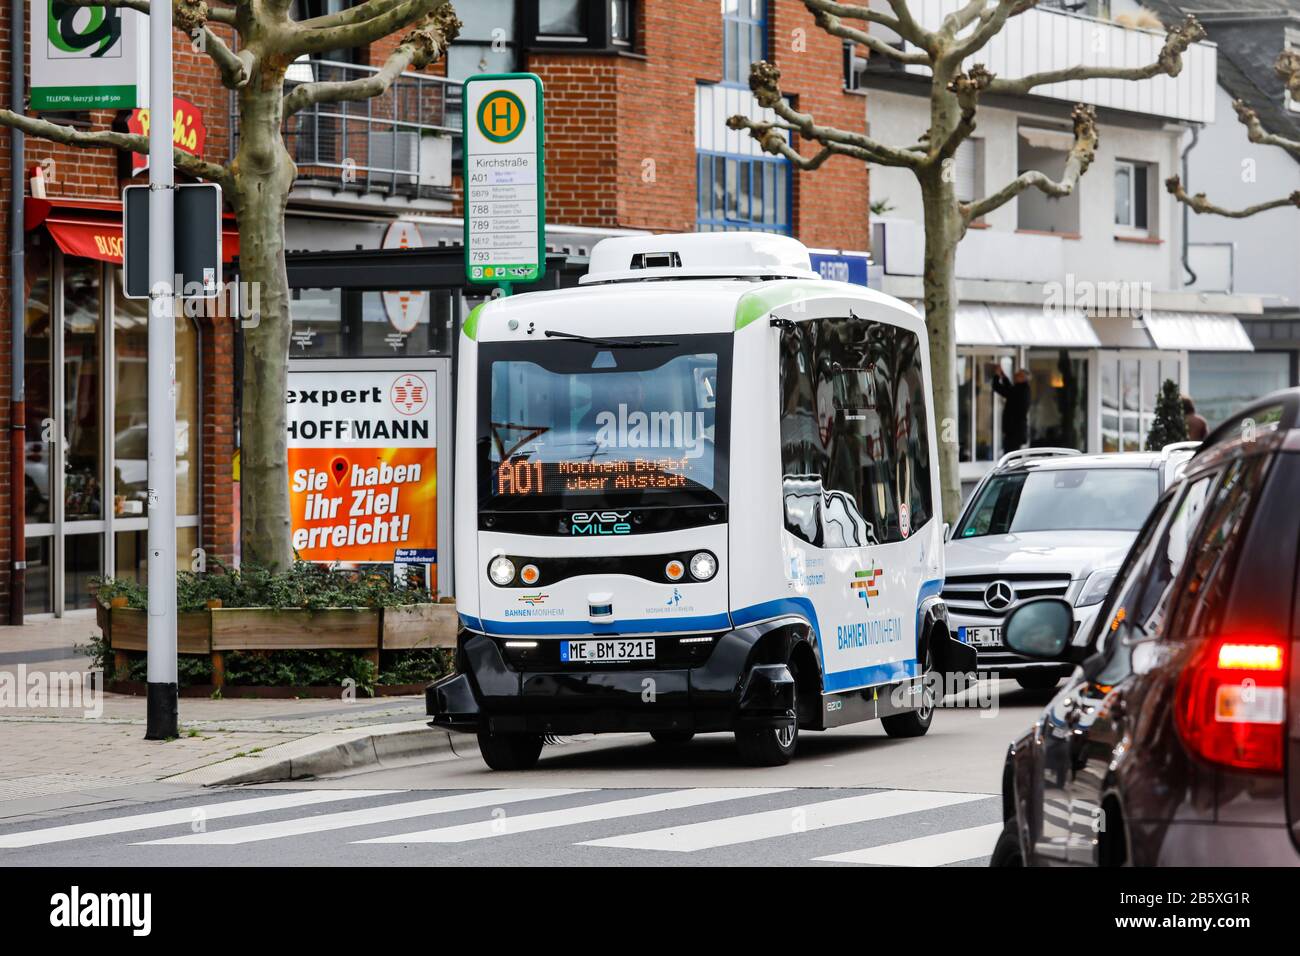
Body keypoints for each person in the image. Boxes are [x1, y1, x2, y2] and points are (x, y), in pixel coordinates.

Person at [991, 365, 1031, 453]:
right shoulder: (1023, 389)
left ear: (1022, 378)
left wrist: (997, 375)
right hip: (1016, 432)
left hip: (1014, 433)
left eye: (1017, 375)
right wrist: (1002, 375)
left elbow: (998, 387)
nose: (1014, 375)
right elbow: (1009, 388)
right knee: (1013, 456)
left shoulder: (1019, 391)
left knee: (1011, 458)